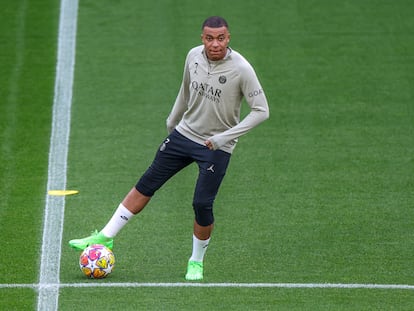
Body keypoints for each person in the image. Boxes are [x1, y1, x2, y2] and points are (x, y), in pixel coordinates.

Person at [69, 16, 269, 281]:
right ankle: (106, 237)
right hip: (185, 134)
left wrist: (224, 138)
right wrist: (173, 118)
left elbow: (261, 111)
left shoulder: (242, 69)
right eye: (210, 38)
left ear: (228, 38)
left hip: (215, 146)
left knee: (201, 204)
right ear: (202, 38)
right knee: (147, 182)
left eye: (221, 38)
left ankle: (196, 261)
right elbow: (185, 90)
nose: (215, 43)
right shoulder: (193, 57)